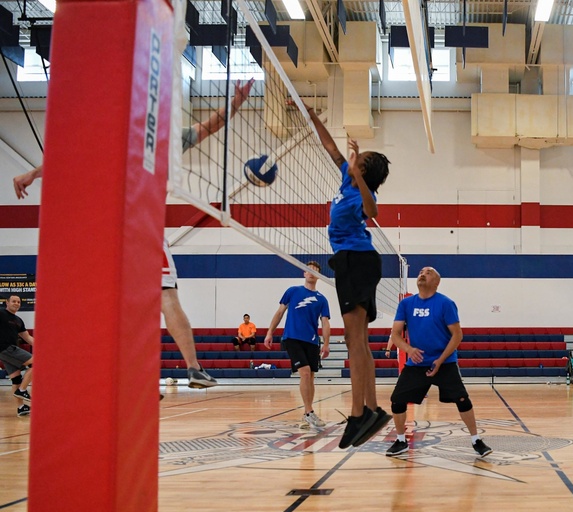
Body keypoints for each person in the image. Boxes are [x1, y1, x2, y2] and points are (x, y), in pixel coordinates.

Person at [13, 79, 255, 390]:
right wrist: (237, 102)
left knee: (117, 305)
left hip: (103, 232)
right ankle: (193, 368)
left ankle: (125, 378)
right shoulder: (161, 139)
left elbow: (65, 160)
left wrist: (31, 174)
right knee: (166, 295)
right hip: (141, 227)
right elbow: (212, 126)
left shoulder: (108, 136)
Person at [306, 106, 392, 448]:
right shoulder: (346, 177)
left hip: (356, 261)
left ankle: (358, 416)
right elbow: (331, 149)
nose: (353, 158)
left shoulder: (360, 192)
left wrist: (357, 174)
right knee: (360, 341)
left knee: (353, 341)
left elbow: (373, 212)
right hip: (353, 261)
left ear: (363, 170)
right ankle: (372, 409)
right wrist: (311, 115)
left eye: (360, 159)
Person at [385, 267, 491, 458]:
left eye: (429, 272)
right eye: (421, 271)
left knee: (462, 399)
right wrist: (409, 350)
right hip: (417, 363)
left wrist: (440, 361)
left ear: (437, 281)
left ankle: (476, 440)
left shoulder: (445, 303)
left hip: (445, 362)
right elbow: (395, 334)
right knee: (397, 400)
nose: (423, 273)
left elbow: (457, 335)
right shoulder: (406, 304)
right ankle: (401, 440)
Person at [263, 261, 331, 430]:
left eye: (315, 271)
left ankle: (306, 414)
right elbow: (279, 313)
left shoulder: (322, 299)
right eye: (308, 270)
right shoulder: (292, 291)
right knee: (305, 373)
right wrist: (270, 332)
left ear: (318, 276)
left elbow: (325, 322)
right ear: (304, 273)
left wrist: (326, 344)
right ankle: (309, 413)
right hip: (293, 338)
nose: (311, 273)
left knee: (311, 377)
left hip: (312, 341)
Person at [0, 295, 34, 417]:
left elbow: (27, 337)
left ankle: (21, 407)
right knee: (36, 363)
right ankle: (23, 390)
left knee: (16, 380)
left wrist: (43, 347)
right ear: (7, 303)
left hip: (7, 353)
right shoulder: (1, 313)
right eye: (13, 301)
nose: (16, 303)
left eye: (18, 302)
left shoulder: (19, 320)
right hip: (6, 349)